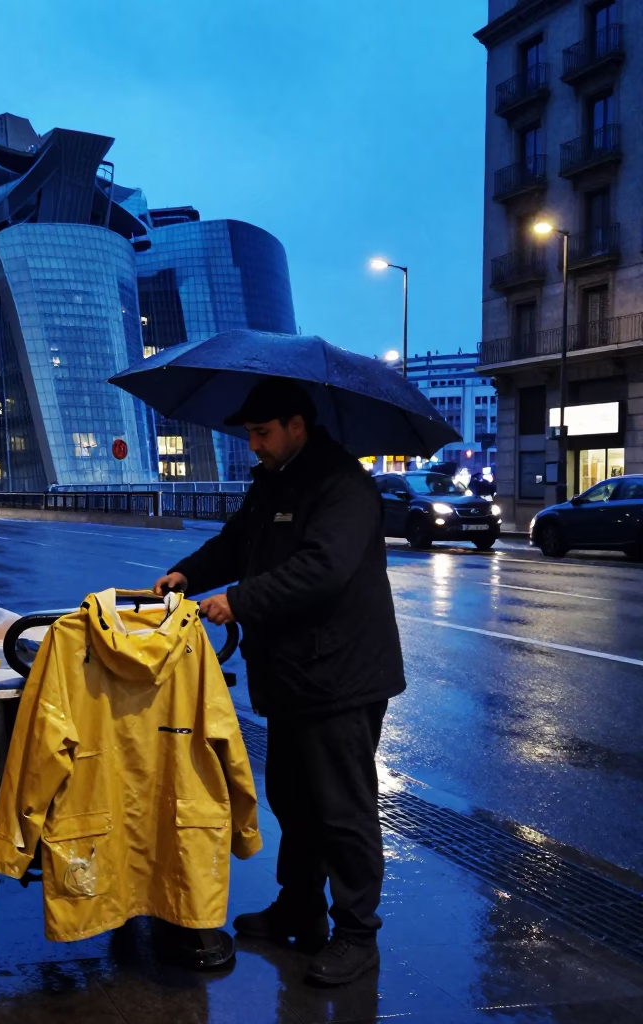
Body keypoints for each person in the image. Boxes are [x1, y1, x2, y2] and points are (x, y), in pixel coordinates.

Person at [153, 377, 407, 986]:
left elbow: (323, 569)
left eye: (262, 433)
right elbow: (238, 543)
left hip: (341, 674)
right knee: (293, 799)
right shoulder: (274, 482)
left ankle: (356, 933)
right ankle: (299, 907)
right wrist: (188, 572)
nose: (254, 446)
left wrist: (239, 601)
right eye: (249, 434)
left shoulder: (342, 485)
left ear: (298, 425)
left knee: (342, 808)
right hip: (294, 673)